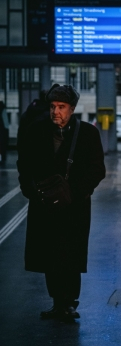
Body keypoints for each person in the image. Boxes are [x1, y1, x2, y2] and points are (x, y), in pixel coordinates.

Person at [16, 83, 106, 321]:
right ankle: (58, 302)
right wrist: (30, 191)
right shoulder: (36, 131)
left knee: (71, 254)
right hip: (44, 202)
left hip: (74, 205)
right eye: (53, 106)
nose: (56, 111)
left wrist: (76, 193)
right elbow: (24, 164)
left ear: (72, 108)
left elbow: (97, 169)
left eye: (62, 107)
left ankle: (68, 303)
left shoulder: (87, 133)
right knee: (49, 254)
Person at [0, 101, 8, 165]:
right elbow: (6, 123)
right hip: (2, 130)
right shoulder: (3, 110)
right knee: (2, 144)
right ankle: (3, 158)